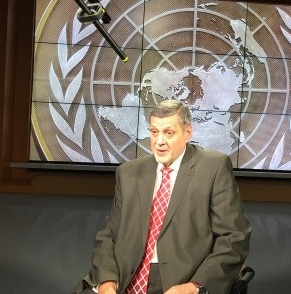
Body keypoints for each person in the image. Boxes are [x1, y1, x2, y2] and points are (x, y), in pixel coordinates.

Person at [73, 99, 251, 294]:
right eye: (154, 132)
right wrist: (107, 282)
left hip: (180, 279)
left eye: (168, 133)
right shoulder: (129, 173)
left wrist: (193, 287)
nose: (159, 142)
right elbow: (108, 235)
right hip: (124, 275)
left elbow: (234, 237)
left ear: (188, 132)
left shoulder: (213, 168)